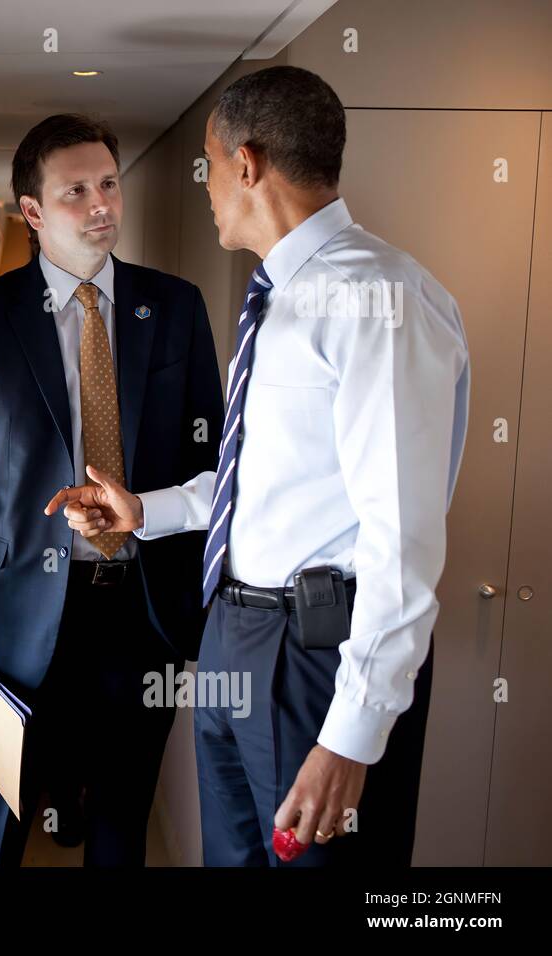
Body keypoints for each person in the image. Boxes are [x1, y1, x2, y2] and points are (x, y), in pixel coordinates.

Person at [50, 66, 470, 866]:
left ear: (247, 164)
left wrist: (350, 734)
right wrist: (148, 509)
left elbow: (402, 539)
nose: (207, 187)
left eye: (209, 165)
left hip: (315, 654)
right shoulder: (280, 296)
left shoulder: (376, 300)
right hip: (236, 633)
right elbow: (268, 478)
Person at [0, 113, 223, 866]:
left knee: (124, 808)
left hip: (143, 602)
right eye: (75, 192)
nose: (101, 205)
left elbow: (212, 457)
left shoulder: (178, 308)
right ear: (31, 212)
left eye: (109, 184)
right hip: (20, 609)